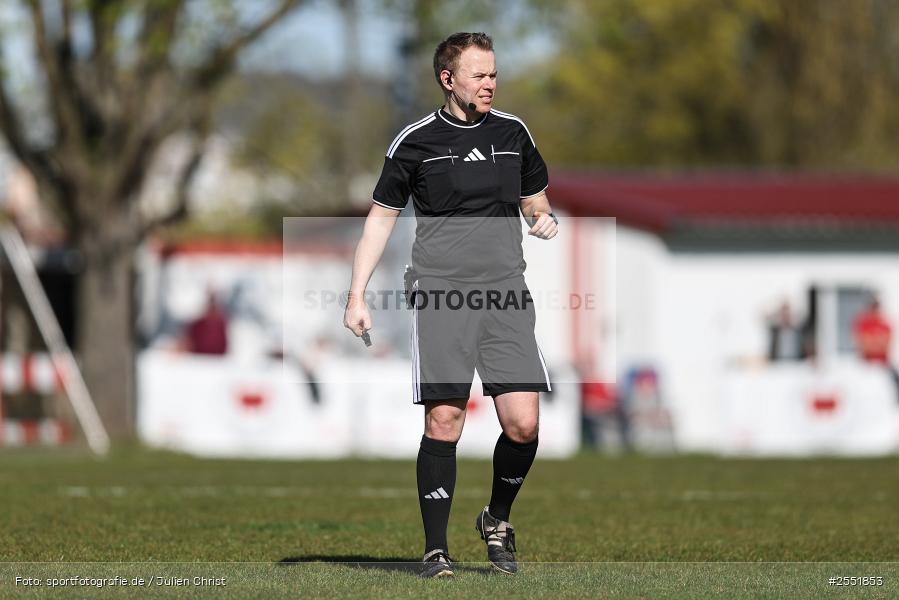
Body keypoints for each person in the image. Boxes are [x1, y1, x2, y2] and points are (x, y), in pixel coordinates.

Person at [342, 32, 558, 578]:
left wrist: (541, 217)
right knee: (445, 419)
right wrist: (357, 295)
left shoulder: (514, 133)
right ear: (448, 79)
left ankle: (496, 518)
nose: (489, 83)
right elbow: (380, 219)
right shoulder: (414, 142)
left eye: (493, 74)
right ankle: (435, 549)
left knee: (523, 425)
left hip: (507, 293)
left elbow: (534, 198)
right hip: (441, 295)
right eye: (479, 75)